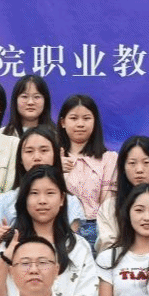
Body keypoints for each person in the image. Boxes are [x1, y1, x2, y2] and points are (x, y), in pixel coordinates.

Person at [0, 165, 97, 296]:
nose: (42, 200)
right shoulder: (9, 245)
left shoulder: (78, 247)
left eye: (50, 193)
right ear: (24, 199)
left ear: (62, 199)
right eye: (34, 193)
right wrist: (5, 260)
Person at [0, 125, 85, 234]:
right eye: (29, 151)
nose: (37, 157)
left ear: (55, 155)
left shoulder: (71, 202)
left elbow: (71, 242)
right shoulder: (3, 201)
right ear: (20, 159)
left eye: (44, 150)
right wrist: (2, 239)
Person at [57, 94, 117, 247]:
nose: (80, 124)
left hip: (97, 228)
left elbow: (108, 203)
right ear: (63, 122)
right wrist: (54, 168)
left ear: (95, 122)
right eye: (73, 118)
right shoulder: (52, 157)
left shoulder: (109, 158)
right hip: (59, 227)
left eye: (86, 118)